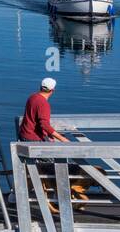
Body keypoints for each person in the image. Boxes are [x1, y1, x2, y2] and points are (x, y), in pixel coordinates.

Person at [18, 77, 89, 206]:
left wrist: (47, 137)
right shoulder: (44, 103)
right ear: (53, 90)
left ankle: (16, 194)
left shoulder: (32, 97)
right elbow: (44, 124)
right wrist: (62, 139)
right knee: (61, 163)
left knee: (37, 167)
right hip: (34, 140)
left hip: (25, 136)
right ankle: (61, 196)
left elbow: (34, 121)